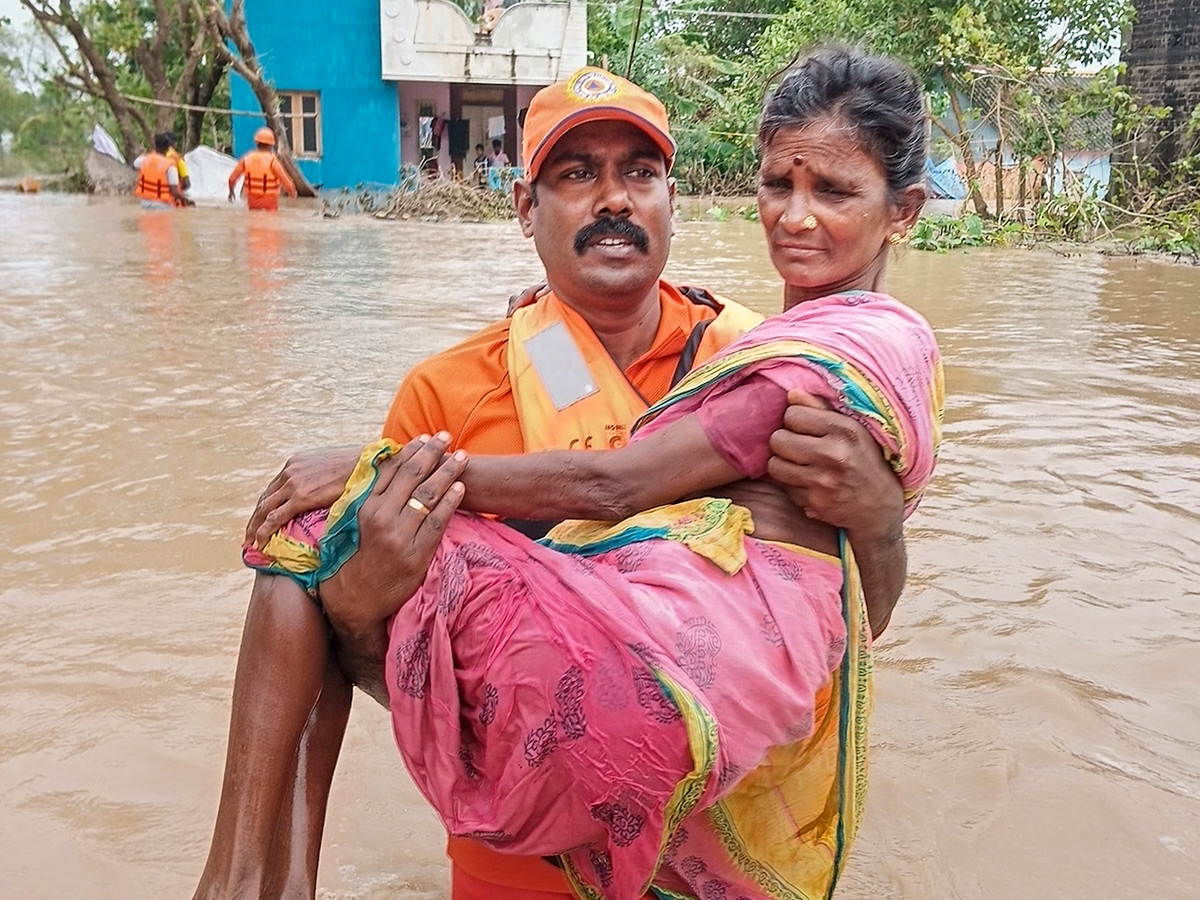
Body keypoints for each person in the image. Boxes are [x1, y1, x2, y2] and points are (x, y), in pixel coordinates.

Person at [190, 64, 909, 900]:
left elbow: (854, 623)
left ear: (673, 200)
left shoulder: (760, 365)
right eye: (576, 174)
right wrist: (358, 594)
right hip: (520, 867)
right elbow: (378, 644)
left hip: (710, 847)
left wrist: (881, 526)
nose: (614, 199)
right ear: (525, 208)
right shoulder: (447, 395)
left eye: (639, 173)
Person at [228, 126, 298, 211]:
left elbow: (232, 179)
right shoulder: (273, 161)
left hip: (252, 202)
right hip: (270, 204)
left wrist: (231, 192)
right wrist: (293, 195)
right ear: (271, 145)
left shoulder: (246, 159)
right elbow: (288, 184)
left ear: (257, 143)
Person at [133, 132, 192, 209]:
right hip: (162, 204)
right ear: (168, 148)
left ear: (155, 146)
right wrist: (186, 201)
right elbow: (174, 191)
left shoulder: (144, 160)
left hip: (144, 202)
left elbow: (134, 165)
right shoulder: (171, 165)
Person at [164, 131, 193, 197]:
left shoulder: (152, 157)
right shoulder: (177, 158)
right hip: (172, 196)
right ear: (175, 144)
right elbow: (187, 183)